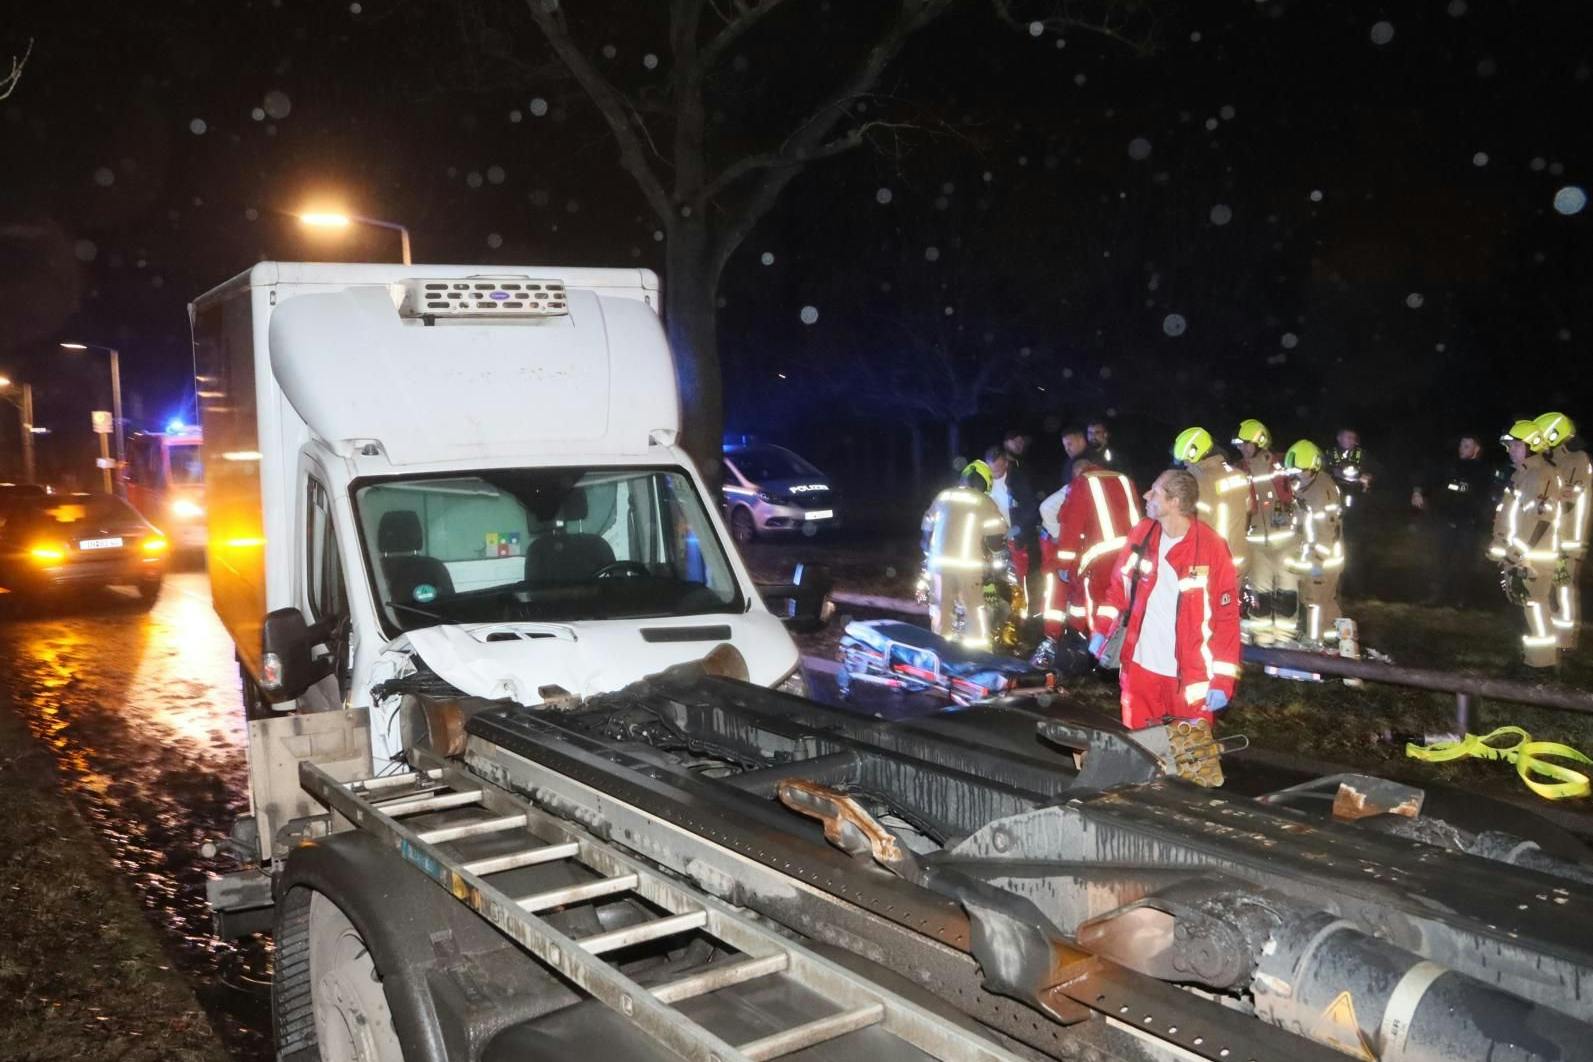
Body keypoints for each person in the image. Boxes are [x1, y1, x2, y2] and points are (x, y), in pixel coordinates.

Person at [1089, 469, 1241, 784]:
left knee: (1193, 772)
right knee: (1142, 763)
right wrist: (1102, 629)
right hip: (1140, 671)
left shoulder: (1211, 547)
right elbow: (1118, 588)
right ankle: (1144, 820)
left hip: (1189, 681)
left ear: (1174, 502)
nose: (1146, 496)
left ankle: (1189, 822)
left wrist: (1223, 680)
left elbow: (1226, 620)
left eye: (1155, 492)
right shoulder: (1142, 534)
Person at [1031, 462, 1139, 666]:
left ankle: (1097, 655)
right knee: (1124, 603)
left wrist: (1064, 563)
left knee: (1098, 606)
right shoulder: (1124, 479)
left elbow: (1071, 527)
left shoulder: (1082, 484)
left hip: (1099, 558)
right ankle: (1123, 653)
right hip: (1131, 553)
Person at [1489, 420, 1563, 672]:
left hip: (1534, 557)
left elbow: (1537, 520)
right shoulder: (1520, 474)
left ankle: (1541, 665)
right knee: (1523, 608)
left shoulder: (1540, 474)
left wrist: (1518, 553)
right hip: (1518, 554)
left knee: (1535, 606)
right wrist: (1500, 542)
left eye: (1516, 445)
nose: (1510, 449)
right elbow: (1509, 513)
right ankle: (1527, 657)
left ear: (1532, 446)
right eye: (1509, 445)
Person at [921, 453, 1011, 649]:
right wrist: (997, 557)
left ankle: (940, 648)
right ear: (984, 483)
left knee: (940, 607)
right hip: (968, 565)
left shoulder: (944, 495)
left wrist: (929, 551)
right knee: (974, 607)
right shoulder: (984, 502)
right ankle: (976, 651)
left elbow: (926, 527)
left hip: (938, 563)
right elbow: (996, 538)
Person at [1411, 433, 1495, 608]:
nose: (1461, 449)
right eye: (1461, 445)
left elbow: (1486, 499)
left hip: (1468, 524)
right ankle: (1437, 595)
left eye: (1466, 446)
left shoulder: (1484, 470)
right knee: (1440, 559)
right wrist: (1418, 491)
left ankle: (1462, 599)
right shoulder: (1450, 466)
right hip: (1445, 521)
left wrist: (1479, 517)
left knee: (1466, 562)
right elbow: (1428, 478)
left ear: (1476, 449)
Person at [1233, 418, 1297, 642]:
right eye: (1240, 444)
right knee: (1260, 591)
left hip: (1287, 541)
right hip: (1256, 543)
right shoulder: (1238, 470)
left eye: (1246, 443)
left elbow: (1302, 491)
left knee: (1288, 591)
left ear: (1260, 442)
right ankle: (1262, 638)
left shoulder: (1281, 464)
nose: (1242, 448)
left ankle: (1285, 637)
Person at [1282, 440, 1344, 645]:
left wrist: (1317, 560)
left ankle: (1314, 644)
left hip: (1323, 560)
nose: (1295, 476)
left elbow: (1326, 531)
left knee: (1314, 601)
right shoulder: (1310, 484)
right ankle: (1336, 640)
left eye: (1300, 471)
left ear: (1313, 468)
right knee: (1326, 600)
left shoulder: (1321, 492)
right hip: (1321, 556)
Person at [1537, 411, 1589, 650]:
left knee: (1563, 588)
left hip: (1567, 540)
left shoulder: (1577, 460)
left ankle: (1565, 639)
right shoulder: (1551, 461)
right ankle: (1550, 631)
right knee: (1546, 586)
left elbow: (1569, 497)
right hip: (1550, 536)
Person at [1172, 426, 1251, 575]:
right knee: (1232, 598)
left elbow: (1191, 529)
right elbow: (1249, 511)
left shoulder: (1197, 483)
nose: (1185, 464)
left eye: (1187, 460)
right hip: (1238, 559)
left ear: (1197, 454)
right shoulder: (1239, 475)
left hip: (1210, 564)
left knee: (1200, 599)